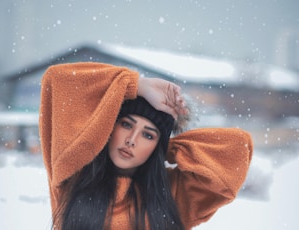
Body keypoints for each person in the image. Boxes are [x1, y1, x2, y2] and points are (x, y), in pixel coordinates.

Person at [39, 62, 253, 230]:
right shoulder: (74, 172)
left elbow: (238, 147)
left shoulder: (174, 192)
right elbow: (56, 80)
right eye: (126, 124)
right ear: (109, 126)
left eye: (148, 135)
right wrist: (136, 85)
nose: (132, 139)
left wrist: (163, 149)